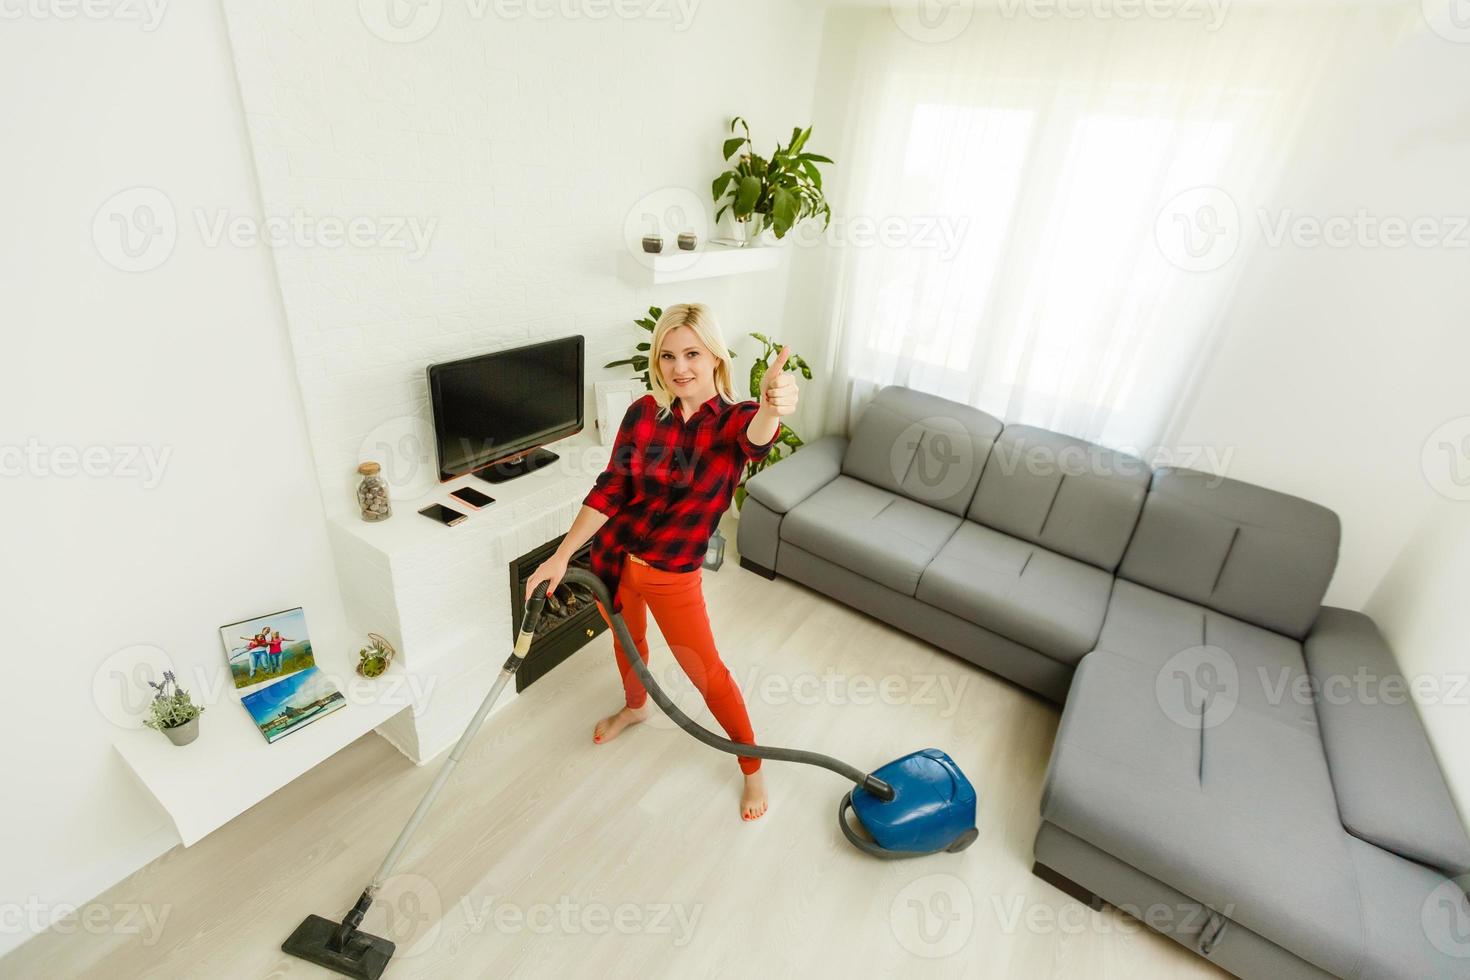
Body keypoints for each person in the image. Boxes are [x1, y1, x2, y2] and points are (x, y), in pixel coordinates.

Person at [525, 303, 797, 822]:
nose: (679, 367)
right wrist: (561, 556)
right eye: (668, 355)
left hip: (673, 575)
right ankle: (636, 706)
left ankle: (752, 767)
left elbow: (757, 437)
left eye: (692, 353)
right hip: (613, 562)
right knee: (630, 646)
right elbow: (611, 488)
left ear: (715, 356)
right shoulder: (643, 414)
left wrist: (773, 407)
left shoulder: (734, 421)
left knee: (706, 673)